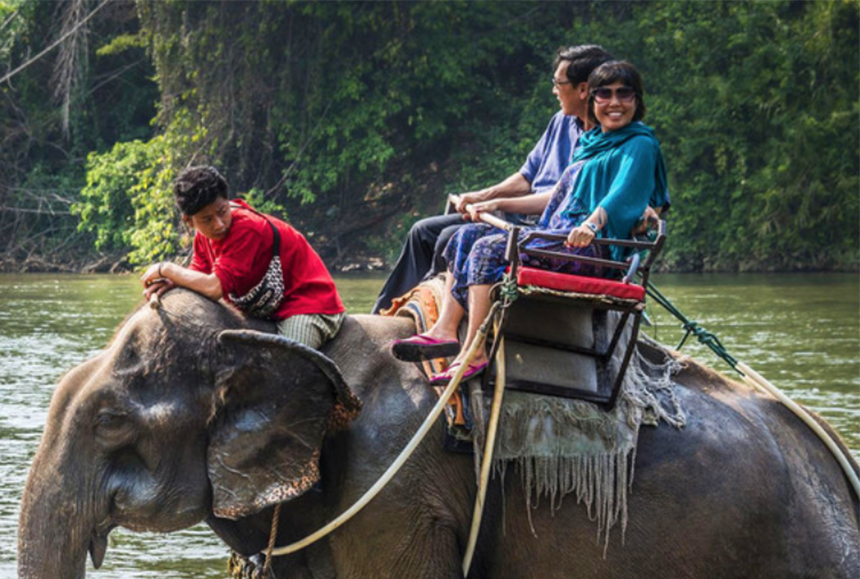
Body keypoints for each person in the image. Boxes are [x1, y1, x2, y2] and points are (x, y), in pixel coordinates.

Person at [402, 60, 669, 384]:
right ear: (593, 100)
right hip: (556, 235)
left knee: (488, 248)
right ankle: (444, 329)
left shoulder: (640, 143)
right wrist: (496, 202)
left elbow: (623, 192)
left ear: (636, 100)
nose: (614, 103)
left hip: (589, 248)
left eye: (624, 94)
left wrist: (592, 225)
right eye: (605, 94)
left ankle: (475, 351)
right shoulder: (591, 143)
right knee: (465, 235)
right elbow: (557, 195)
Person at [371, 44, 613, 314]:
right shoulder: (561, 121)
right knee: (423, 231)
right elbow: (526, 177)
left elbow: (563, 199)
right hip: (518, 219)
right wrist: (481, 196)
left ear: (582, 89)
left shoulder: (607, 143)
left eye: (558, 83)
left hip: (548, 228)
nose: (554, 90)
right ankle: (384, 313)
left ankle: (434, 312)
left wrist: (497, 203)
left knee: (449, 238)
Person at [141, 166, 345, 349]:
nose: (219, 224)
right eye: (207, 219)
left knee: (285, 365)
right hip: (266, 312)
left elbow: (213, 288)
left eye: (222, 212)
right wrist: (171, 283)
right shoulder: (203, 238)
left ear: (227, 202)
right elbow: (197, 277)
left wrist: (167, 270)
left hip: (308, 305)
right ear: (189, 221)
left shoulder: (246, 228)